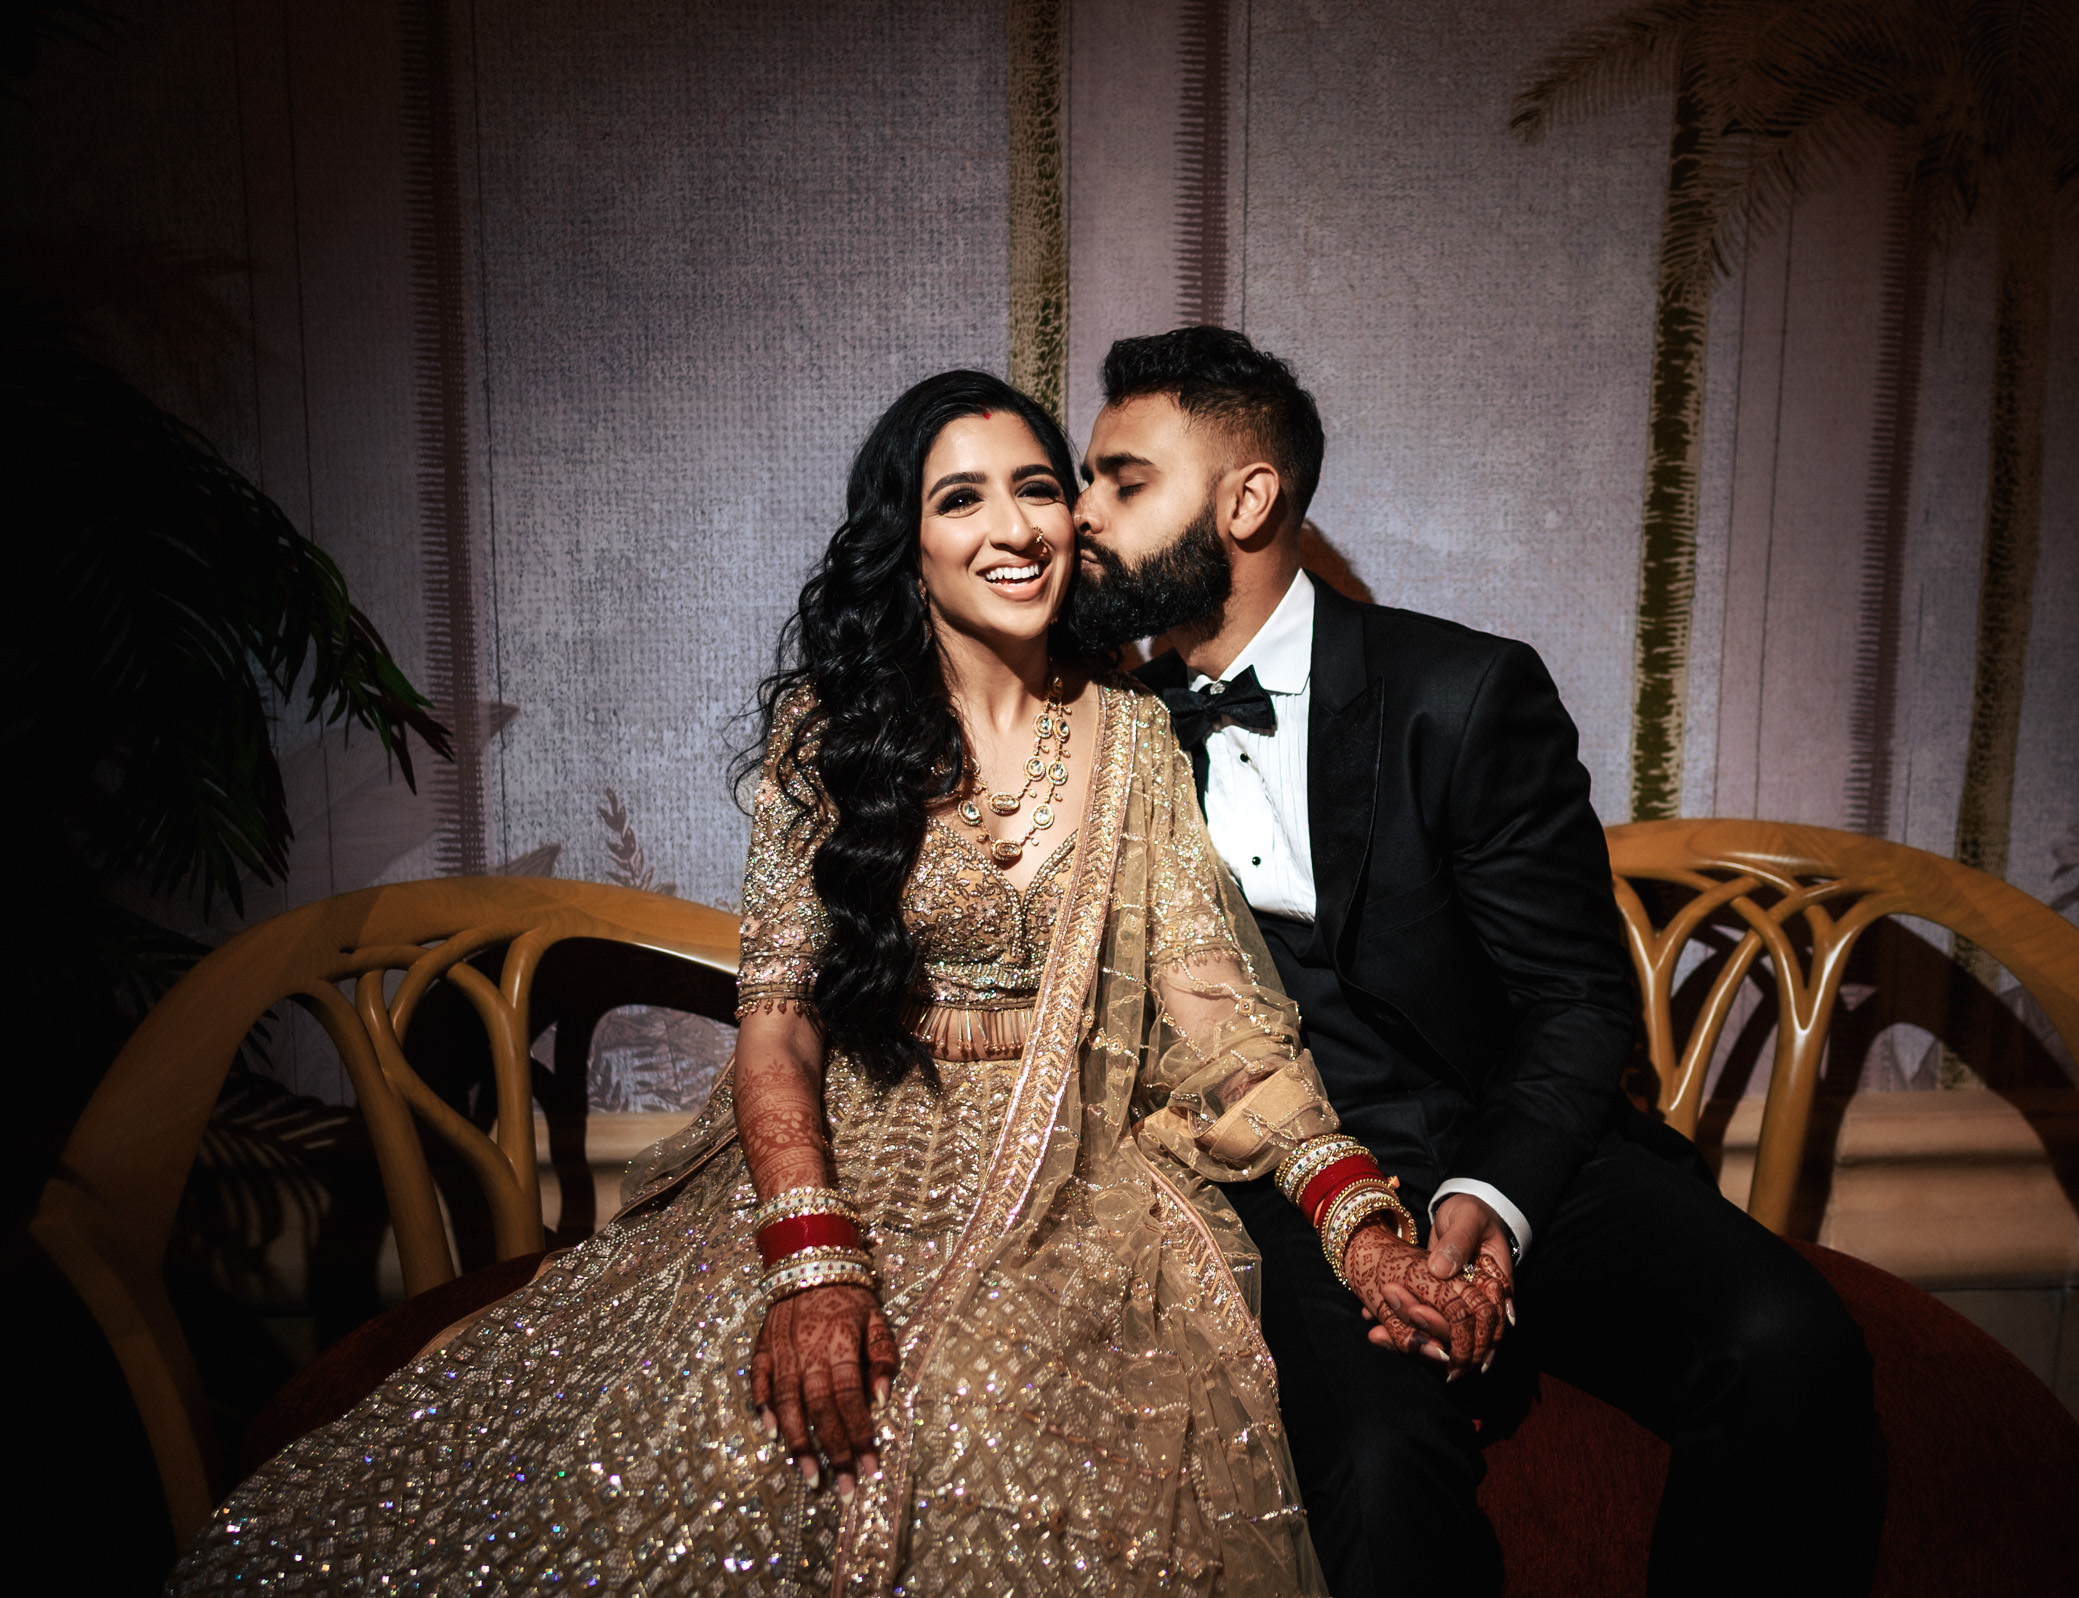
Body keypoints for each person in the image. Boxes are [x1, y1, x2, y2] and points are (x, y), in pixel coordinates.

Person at [171, 369, 1503, 1595]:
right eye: (961, 495)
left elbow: (1220, 1019)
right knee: (723, 1430)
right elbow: (781, 1027)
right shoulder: (835, 734)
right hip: (850, 1154)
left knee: (982, 1415)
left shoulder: (1134, 738)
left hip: (1076, 1176)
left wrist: (1362, 1224)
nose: (1017, 525)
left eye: (1041, 487)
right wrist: (811, 1258)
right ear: (907, 541)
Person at [1073, 327, 1887, 1597]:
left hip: (1497, 1135)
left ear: (1246, 497)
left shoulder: (1459, 693)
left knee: (1789, 1338)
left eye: (1122, 480)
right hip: (1273, 1175)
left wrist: (1490, 1204)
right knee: (1381, 1463)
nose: (1080, 515)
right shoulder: (1096, 731)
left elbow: (1573, 996)